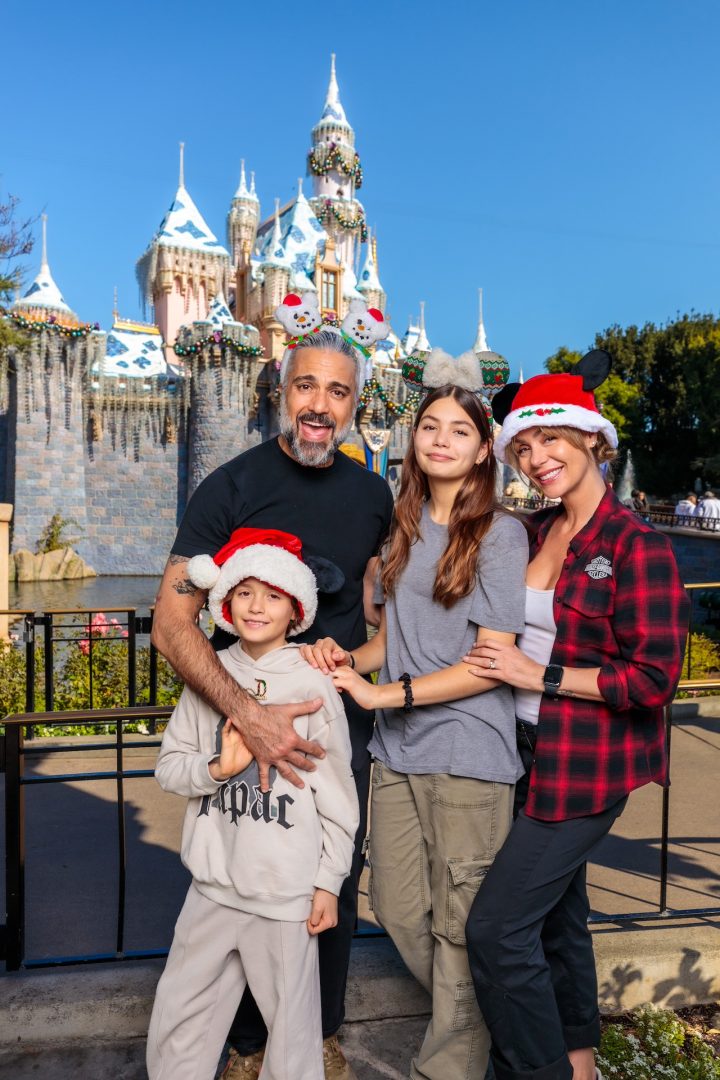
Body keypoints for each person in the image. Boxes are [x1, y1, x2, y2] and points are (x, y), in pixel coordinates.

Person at [151, 295, 394, 1080]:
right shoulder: (231, 487)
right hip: (237, 718)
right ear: (279, 391)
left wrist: (361, 664)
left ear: (355, 405)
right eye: (305, 387)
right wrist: (246, 715)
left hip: (329, 726)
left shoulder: (373, 496)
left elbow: (384, 603)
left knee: (330, 880)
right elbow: (171, 623)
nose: (320, 406)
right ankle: (247, 1047)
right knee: (238, 880)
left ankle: (316, 1036)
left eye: (338, 392)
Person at [462, 351, 689, 1080]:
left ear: (593, 439)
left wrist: (543, 674)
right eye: (523, 448)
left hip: (586, 766)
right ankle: (581, 1061)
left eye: (551, 439)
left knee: (496, 931)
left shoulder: (637, 546)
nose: (537, 458)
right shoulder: (531, 531)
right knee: (558, 919)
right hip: (518, 748)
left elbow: (654, 678)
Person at [302, 349, 528, 1080]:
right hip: (398, 754)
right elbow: (393, 640)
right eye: (429, 426)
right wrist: (345, 663)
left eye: (458, 431)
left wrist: (385, 696)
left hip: (468, 753)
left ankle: (452, 1065)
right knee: (400, 907)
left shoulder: (499, 534)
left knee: (461, 929)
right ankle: (505, 1021)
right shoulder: (404, 525)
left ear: (482, 447)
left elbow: (489, 659)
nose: (439, 440)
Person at [147, 528, 359, 1080]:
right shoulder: (209, 680)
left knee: (292, 1036)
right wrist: (217, 768)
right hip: (212, 888)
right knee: (179, 1021)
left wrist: (328, 883)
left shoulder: (314, 686)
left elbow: (339, 799)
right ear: (224, 604)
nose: (256, 606)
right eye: (244, 592)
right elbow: (169, 769)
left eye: (272, 595)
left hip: (285, 895)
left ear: (296, 609)